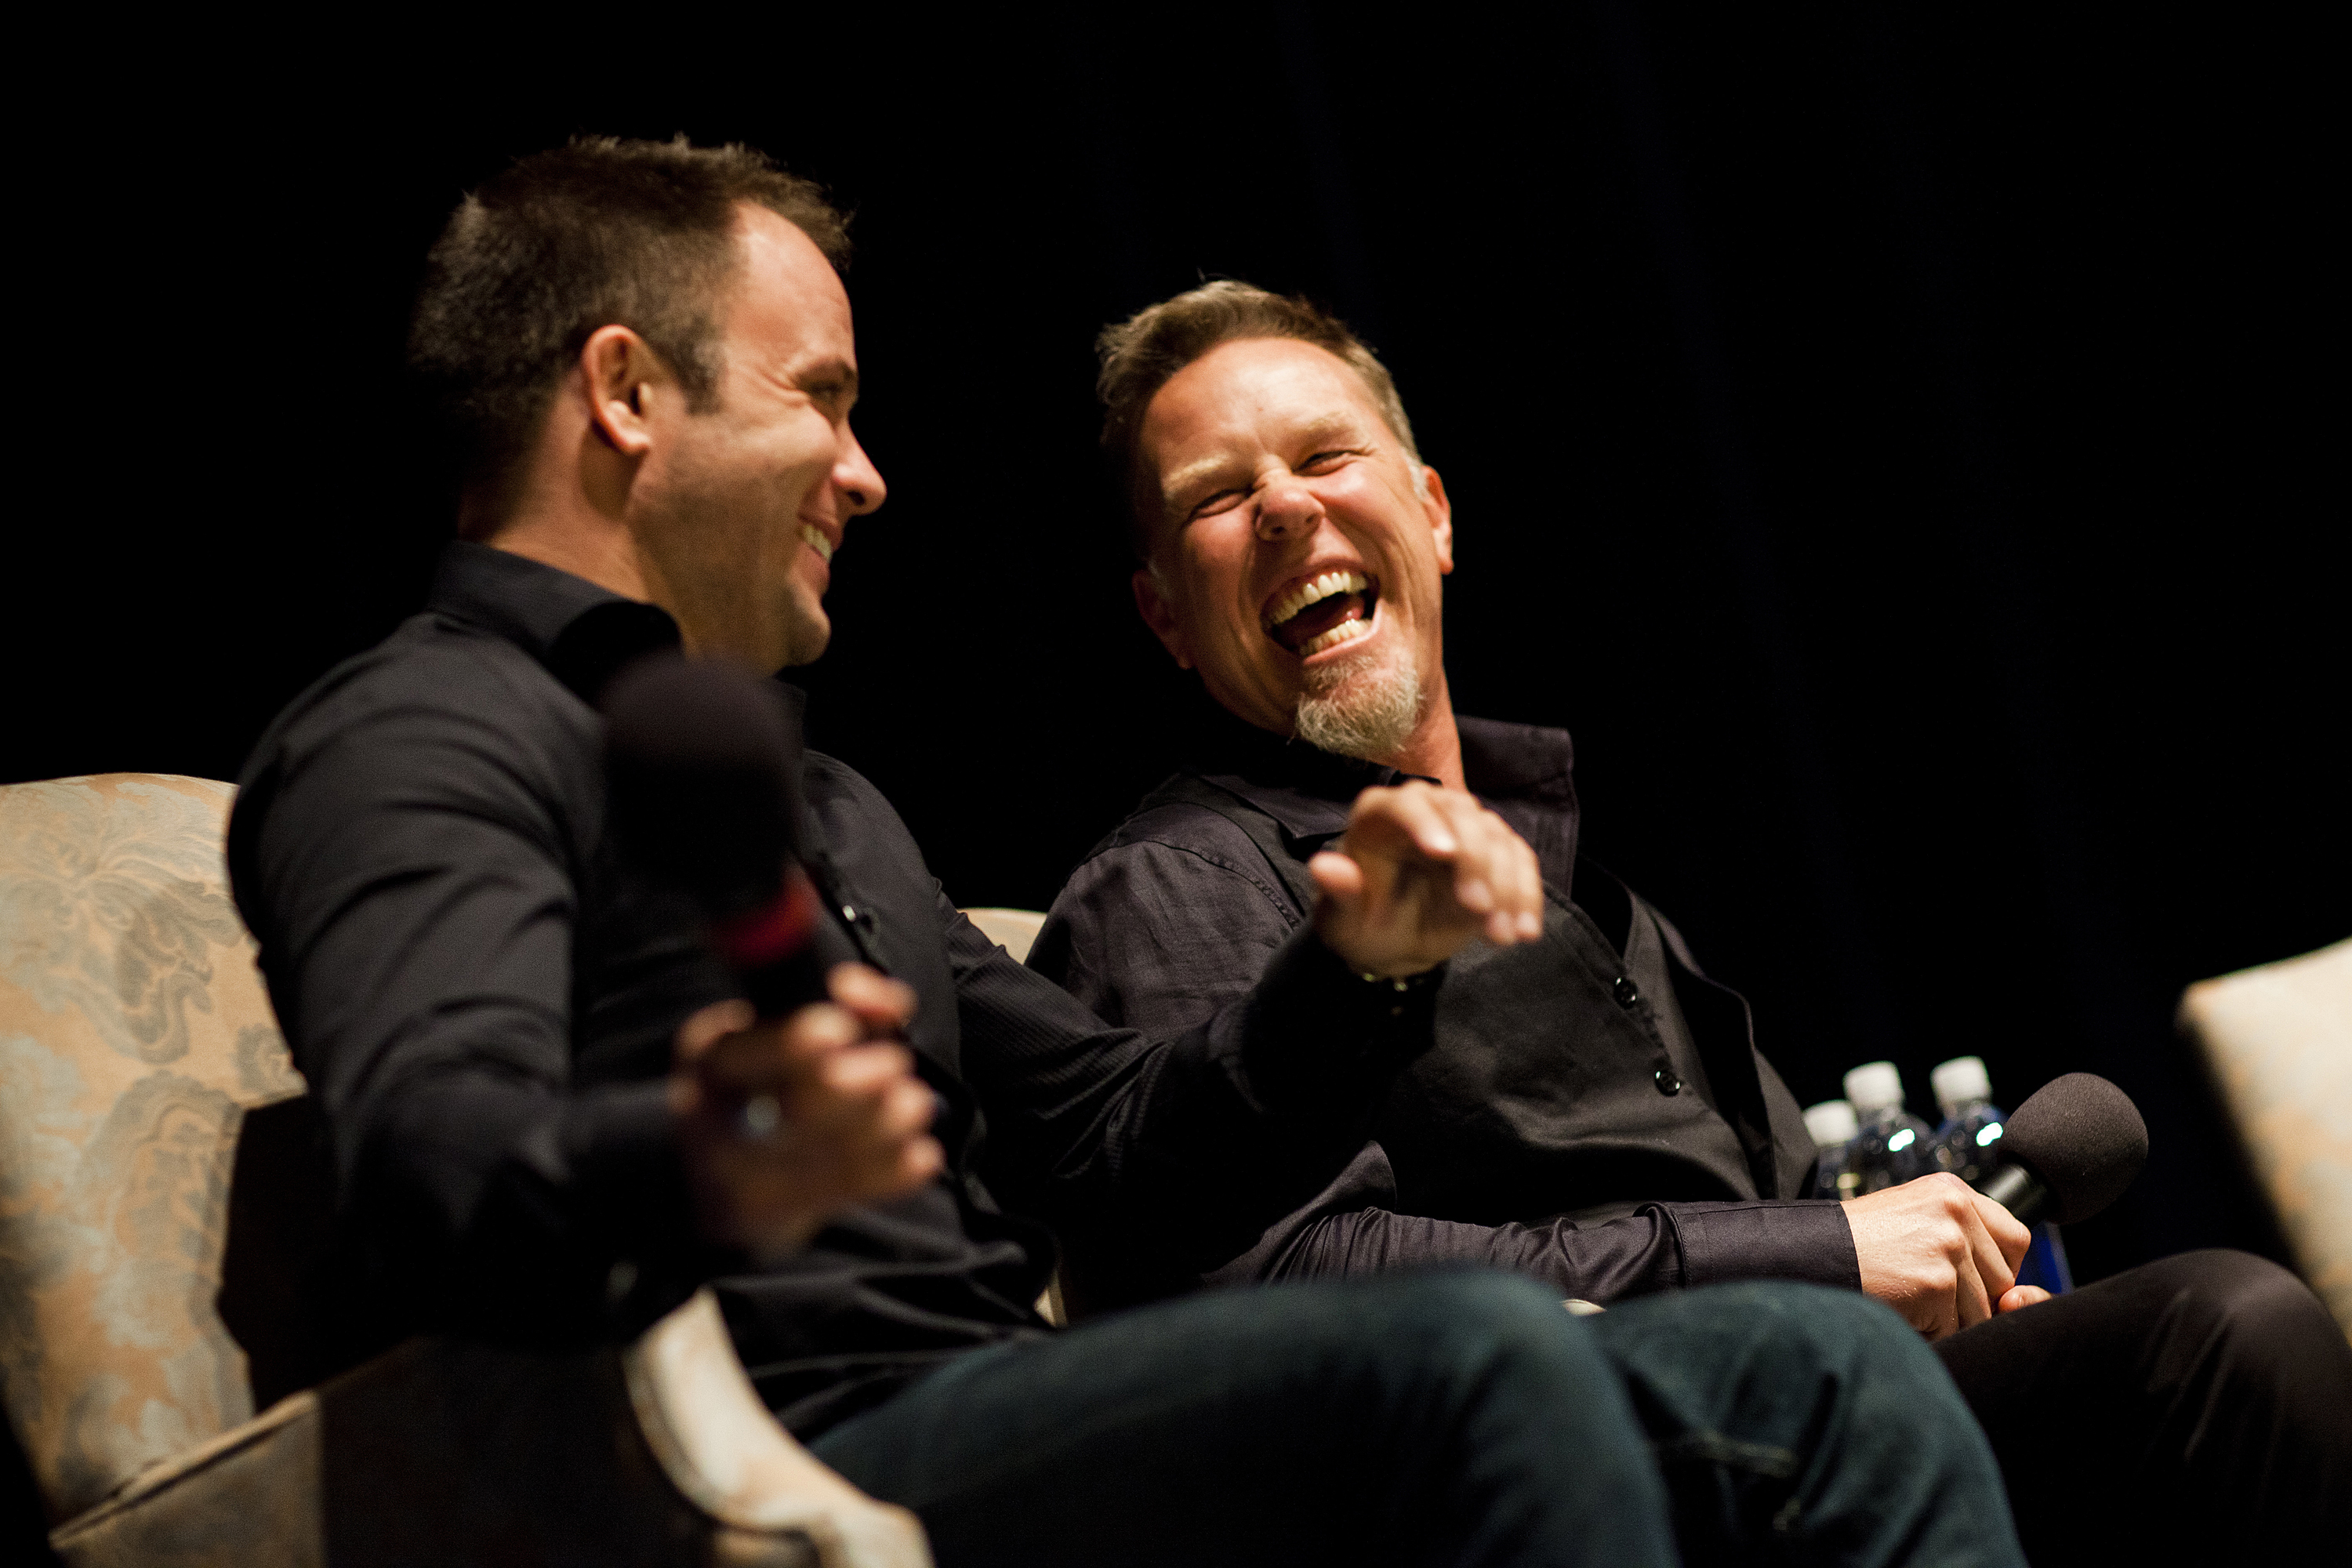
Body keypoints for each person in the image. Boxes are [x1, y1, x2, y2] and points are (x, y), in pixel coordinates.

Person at [227, 138, 2024, 1568]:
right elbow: (432, 1168)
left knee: (1822, 1360)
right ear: (625, 393)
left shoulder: (822, 800)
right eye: (823, 397)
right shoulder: (418, 733)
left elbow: (1111, 1137)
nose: (864, 475)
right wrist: (709, 1148)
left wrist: (1358, 970)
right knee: (1490, 1352)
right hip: (775, 1449)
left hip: (1007, 1401)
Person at [1032, 279, 2352, 1564]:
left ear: (1432, 516)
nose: (1282, 508)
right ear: (1165, 621)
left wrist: (1909, 1276)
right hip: (1561, 1459)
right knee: (2216, 1337)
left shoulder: (1587, 884)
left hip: (1805, 1408)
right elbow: (1266, 1281)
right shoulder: (1180, 882)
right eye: (1216, 496)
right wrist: (1817, 1256)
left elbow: (1786, 1204)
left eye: (1326, 454)